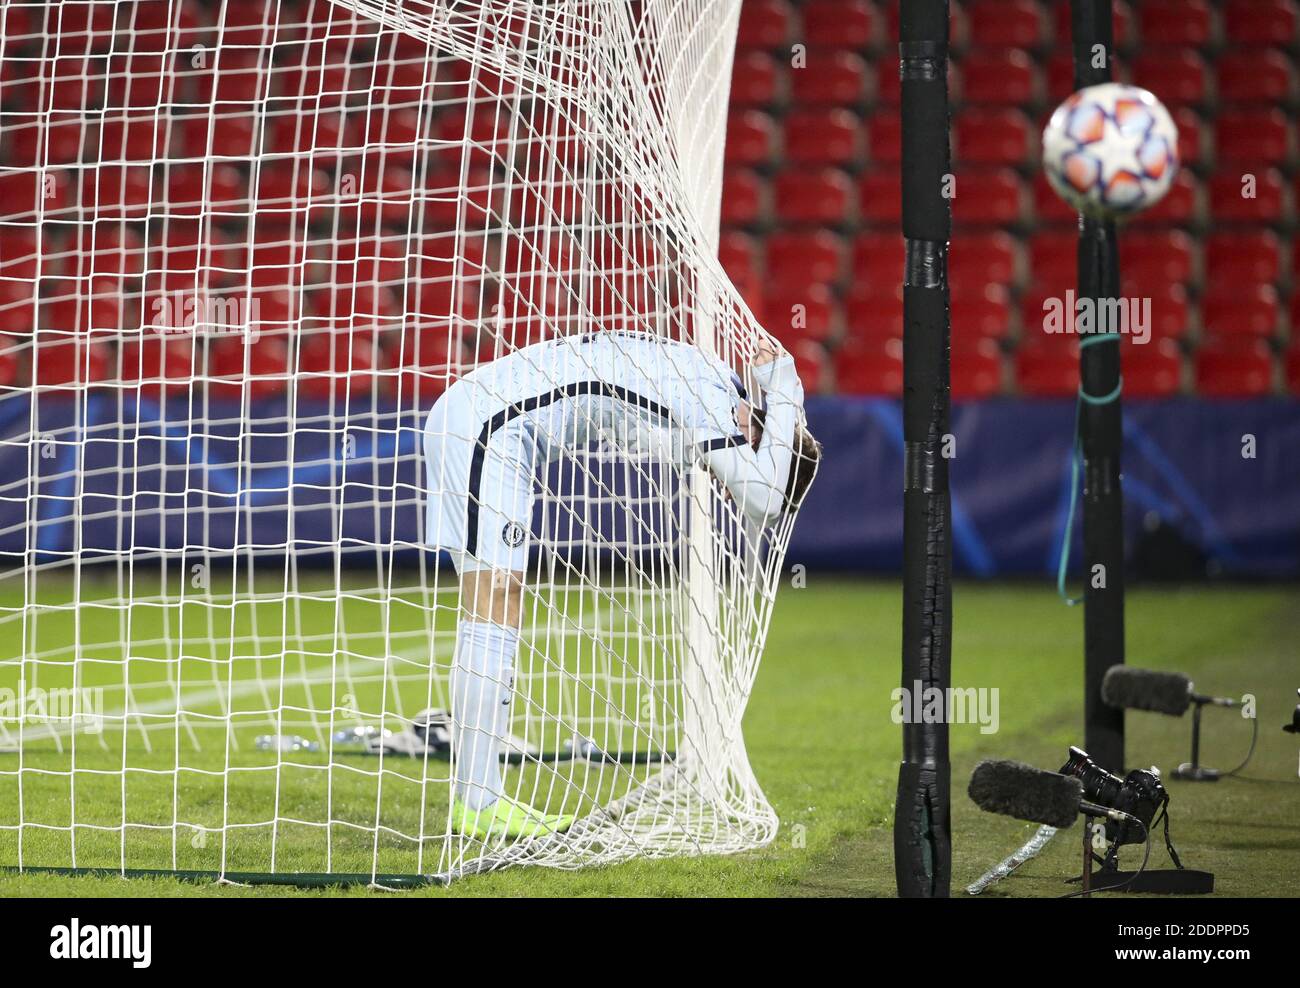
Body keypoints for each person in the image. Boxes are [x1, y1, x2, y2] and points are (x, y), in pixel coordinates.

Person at [422, 330, 819, 839]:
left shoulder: (707, 381)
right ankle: (477, 802)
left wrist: (778, 396)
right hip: (488, 429)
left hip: (484, 422)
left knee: (496, 603)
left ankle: (477, 798)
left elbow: (650, 433)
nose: (723, 484)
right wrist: (784, 388)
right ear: (759, 441)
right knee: (495, 601)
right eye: (732, 478)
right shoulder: (715, 402)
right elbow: (766, 500)